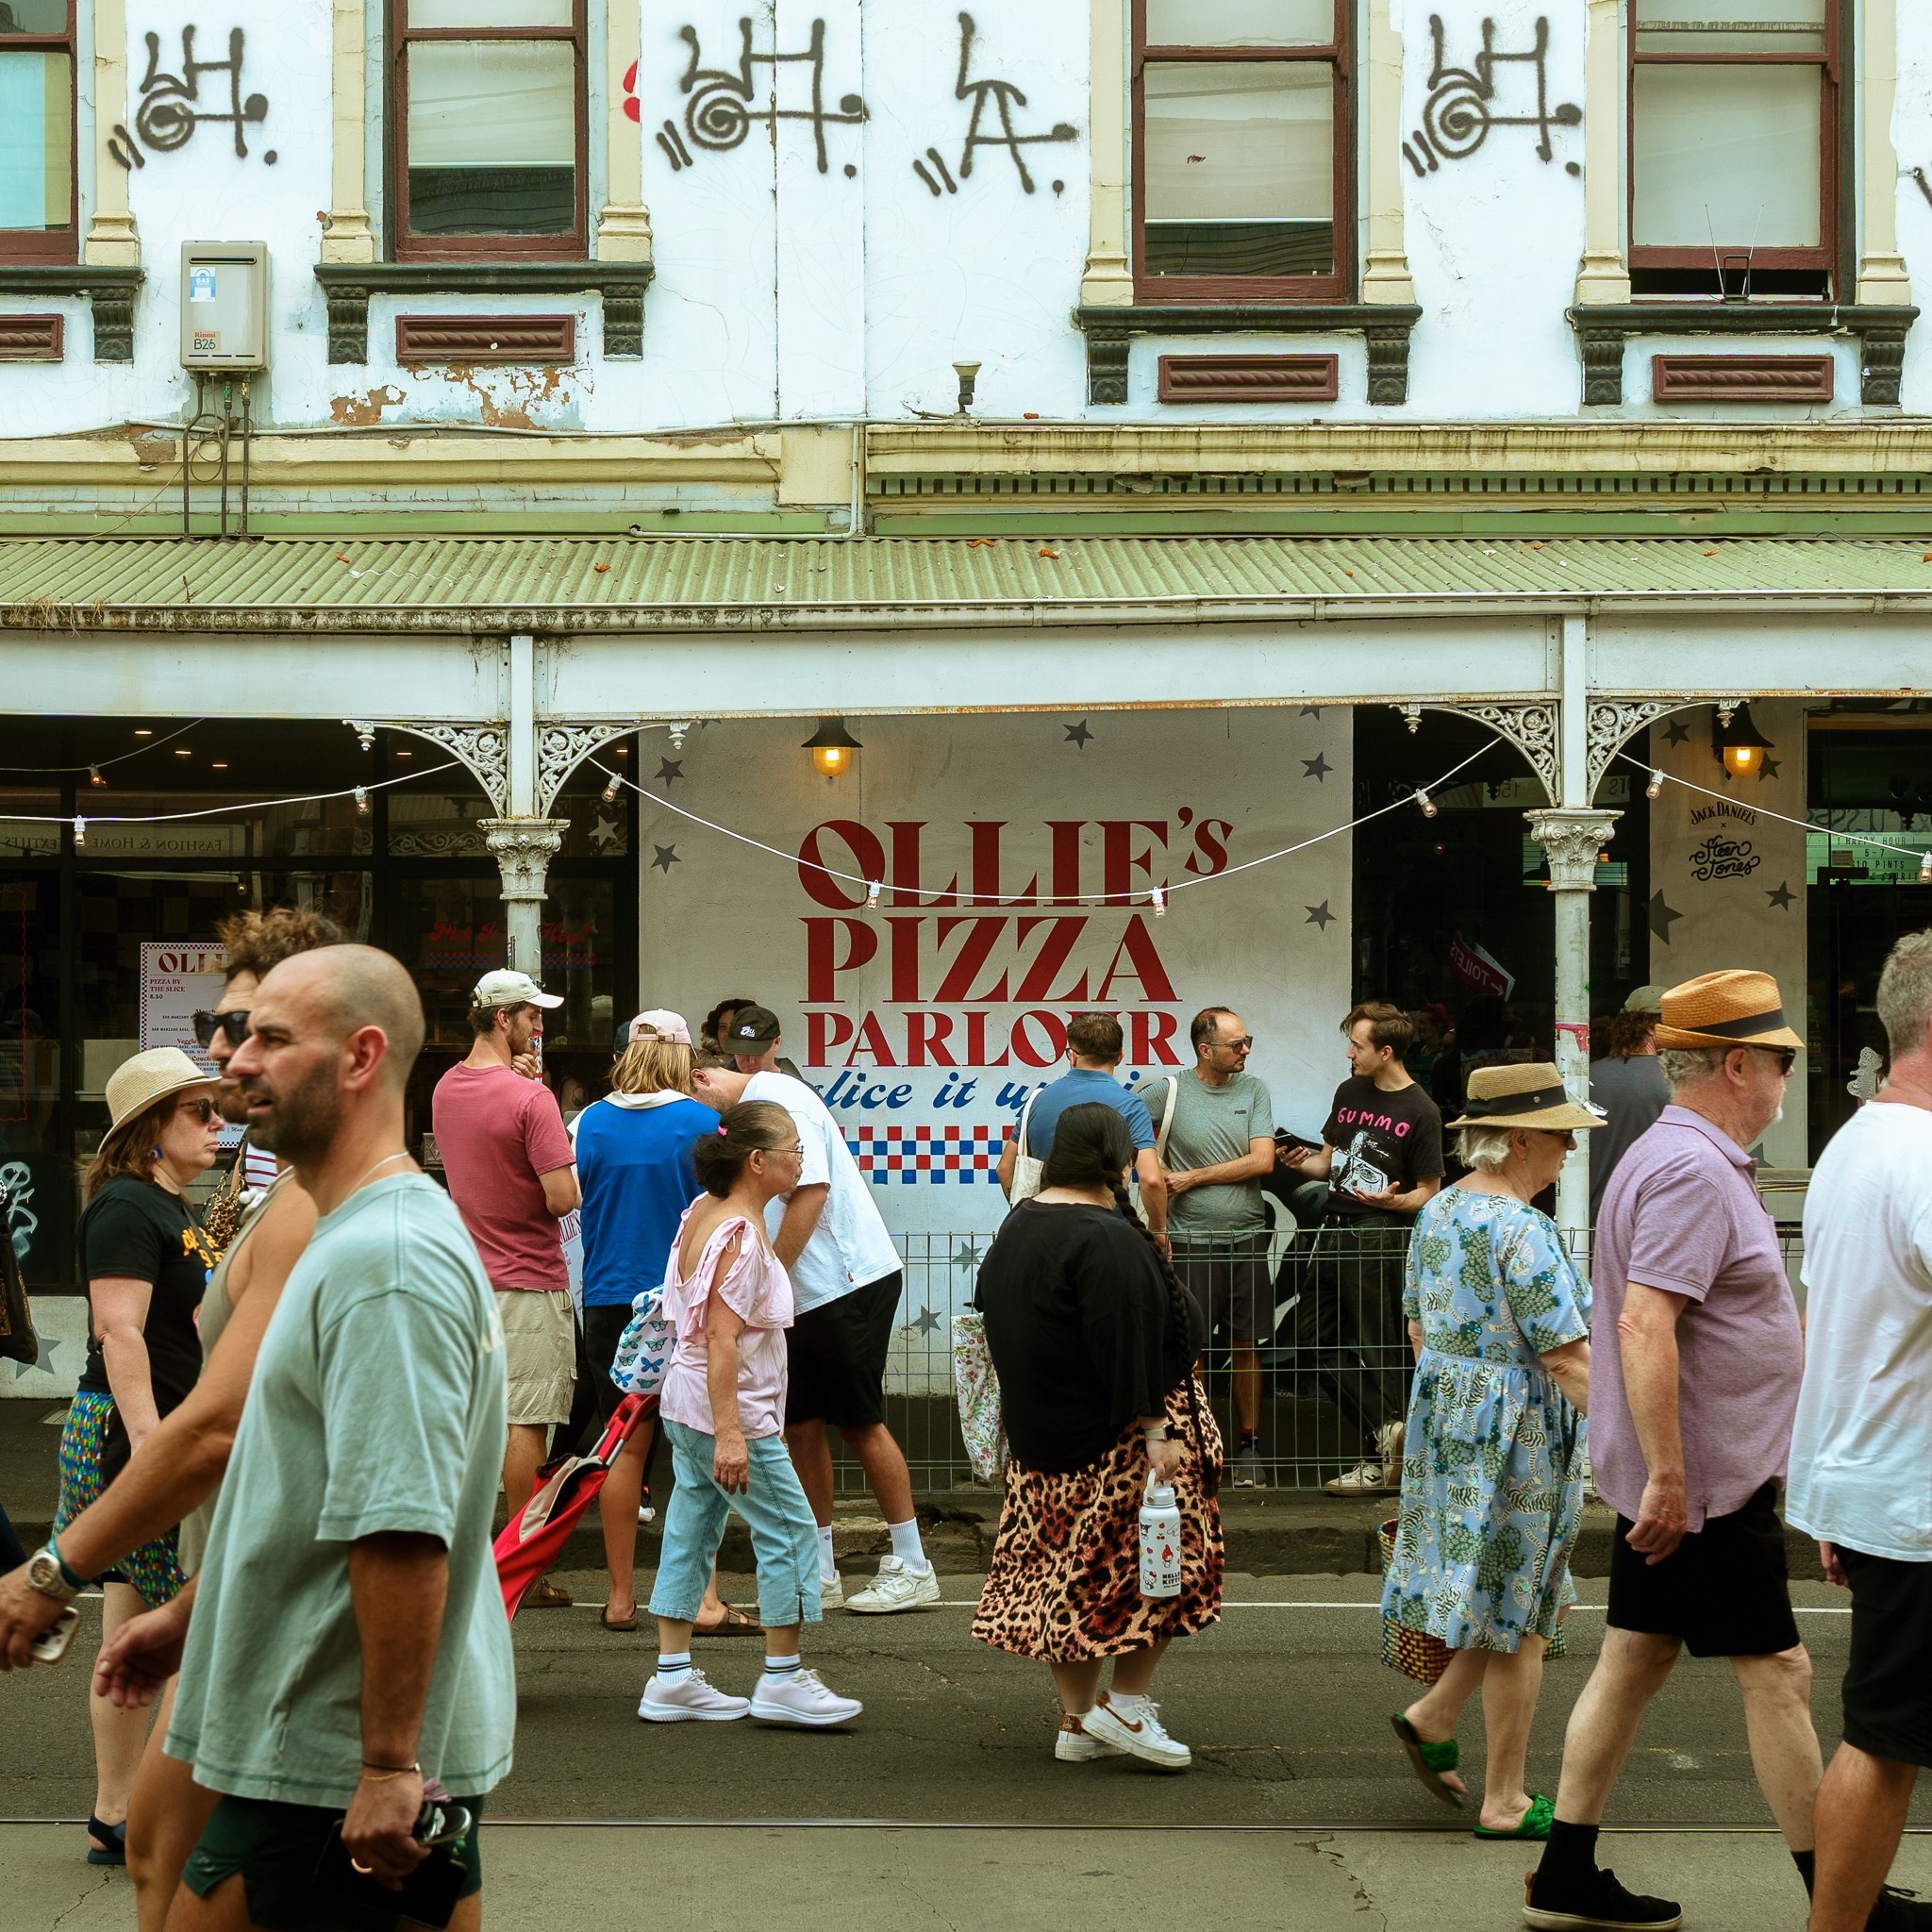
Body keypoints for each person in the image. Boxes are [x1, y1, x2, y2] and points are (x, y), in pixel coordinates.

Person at [92, 943, 514, 1932]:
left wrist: (384, 1763)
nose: (235, 1060)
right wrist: (192, 1614)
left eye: (270, 1038)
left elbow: (401, 1528)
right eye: (237, 1034)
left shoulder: (384, 1258)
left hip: (329, 1759)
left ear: (361, 1056)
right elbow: (305, 1488)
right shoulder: (354, 1232)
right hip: (326, 1744)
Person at [1526, 971, 1816, 1932]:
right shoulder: (1693, 1167)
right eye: (1776, 1060)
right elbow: (1645, 1321)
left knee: (1633, 1655)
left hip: (1688, 1475)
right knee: (1776, 1674)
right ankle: (1840, 1894)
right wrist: (1672, 1475)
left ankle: (1565, 1872)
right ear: (1735, 1063)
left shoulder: (1672, 1154)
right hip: (1703, 1482)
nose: (1781, 1078)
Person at [973, 1103, 1223, 1771]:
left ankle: (1079, 1719)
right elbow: (1124, 1341)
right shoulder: (1105, 1237)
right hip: (1118, 1440)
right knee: (1154, 1570)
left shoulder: (1020, 1223)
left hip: (1044, 1437)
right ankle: (1127, 1705)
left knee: (1065, 1577)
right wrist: (1156, 1429)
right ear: (1118, 1162)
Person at [1381, 1063, 1596, 1840]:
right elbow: (1567, 1357)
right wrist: (1631, 1439)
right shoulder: (1522, 1228)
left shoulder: (1437, 1212)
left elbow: (1417, 1330)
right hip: (1519, 1436)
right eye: (1561, 1135)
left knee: (1495, 1596)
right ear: (1519, 1139)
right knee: (1521, 1616)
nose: (1570, 1149)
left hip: (1452, 1423)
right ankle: (1505, 1800)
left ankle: (1435, 1716)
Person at [1789, 930, 1932, 1932]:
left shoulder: (1853, 1142)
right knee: (1882, 1740)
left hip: (1881, 1486)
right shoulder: (1921, 1155)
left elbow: (1834, 1327)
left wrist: (1831, 1492)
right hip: (1917, 1498)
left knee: (1883, 1733)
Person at [640, 1100, 862, 1727]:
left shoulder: (703, 1212)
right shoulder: (739, 1233)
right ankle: (783, 1678)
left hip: (686, 1404)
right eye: (792, 1149)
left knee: (691, 1526)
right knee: (790, 1529)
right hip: (728, 1412)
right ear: (757, 1161)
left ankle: (672, 1677)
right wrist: (732, 1435)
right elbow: (722, 1338)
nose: (801, 1159)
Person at [52, 1045, 221, 1866]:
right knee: (195, 1631)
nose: (219, 1122)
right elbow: (118, 1331)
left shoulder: (172, 1205)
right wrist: (156, 1445)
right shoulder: (126, 1205)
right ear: (152, 1129)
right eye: (201, 1111)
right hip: (131, 1434)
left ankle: (116, 1815)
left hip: (150, 1433)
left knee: (132, 1634)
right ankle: (162, 1818)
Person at [692, 1055, 936, 1615]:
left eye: (694, 1101)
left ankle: (914, 1562)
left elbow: (811, 1190)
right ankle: (818, 1566)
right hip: (800, 1298)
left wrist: (767, 1273)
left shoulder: (784, 1097)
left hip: (844, 1283)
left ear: (704, 1078)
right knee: (800, 1426)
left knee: (858, 1420)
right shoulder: (759, 1106)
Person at [433, 966, 581, 1610]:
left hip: (468, 1280)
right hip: (528, 1279)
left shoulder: (446, 1088)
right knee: (528, 1423)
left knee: (478, 1423)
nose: (539, 1025)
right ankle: (522, 1565)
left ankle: (468, 1555)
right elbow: (562, 1197)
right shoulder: (532, 1099)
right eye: (531, 1014)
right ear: (502, 1018)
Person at [569, 1009, 715, 1632]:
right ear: (681, 1056)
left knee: (622, 1446)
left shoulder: (588, 1123)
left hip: (608, 1297)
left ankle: (620, 1596)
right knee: (694, 1449)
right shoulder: (703, 1123)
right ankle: (700, 1600)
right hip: (683, 1300)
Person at [1282, 1002, 1444, 1496]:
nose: (1349, 1054)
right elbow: (1328, 1164)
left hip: (1378, 1234)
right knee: (1310, 1341)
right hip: (1331, 1230)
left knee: (1382, 1350)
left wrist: (1396, 1202)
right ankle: (1388, 1436)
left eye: (1358, 1046)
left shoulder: (1421, 1110)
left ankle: (1389, 1463)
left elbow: (1430, 1193)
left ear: (1386, 1052)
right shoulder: (1349, 1091)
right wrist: (1298, 1160)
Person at [1148, 1007, 1275, 1488]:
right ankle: (1199, 1449)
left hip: (1246, 1238)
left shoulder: (1255, 1089)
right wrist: (1146, 1181)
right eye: (1237, 1044)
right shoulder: (1169, 1091)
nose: (1246, 1051)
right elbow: (1122, 1134)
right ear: (1206, 1050)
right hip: (1188, 1242)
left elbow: (1262, 1160)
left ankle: (1249, 1448)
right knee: (1192, 1351)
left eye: (1247, 1042)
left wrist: (1190, 1177)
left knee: (1246, 1345)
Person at [995, 1009, 1170, 1247]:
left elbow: (1005, 1168)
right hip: (1108, 1236)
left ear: (1072, 1056)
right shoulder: (1130, 1105)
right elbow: (1151, 1179)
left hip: (1044, 1234)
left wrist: (1025, 1212)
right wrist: (1159, 1230)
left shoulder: (1038, 1100)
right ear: (1120, 1056)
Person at [1588, 986, 1670, 1215]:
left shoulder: (1587, 1079)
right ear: (1651, 1028)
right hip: (1653, 1219)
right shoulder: (1676, 1082)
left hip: (1591, 1224)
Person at [718, 1001, 807, 1084]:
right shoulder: (722, 1085)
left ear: (777, 1042)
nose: (750, 1061)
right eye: (741, 1052)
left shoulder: (797, 1088)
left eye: (757, 1052)